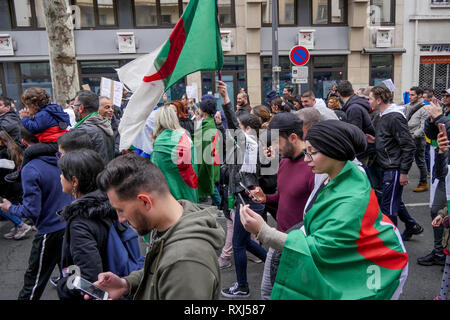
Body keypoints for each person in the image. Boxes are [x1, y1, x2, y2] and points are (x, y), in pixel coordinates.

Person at [239, 120, 409, 300]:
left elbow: (322, 247)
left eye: (312, 153)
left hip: (362, 270)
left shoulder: (352, 195)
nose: (306, 159)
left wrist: (263, 231)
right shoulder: (333, 175)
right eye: (307, 152)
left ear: (334, 151)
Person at [83, 153, 225, 300]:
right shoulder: (167, 222)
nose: (121, 219)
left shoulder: (184, 263)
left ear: (145, 202)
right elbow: (158, 271)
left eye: (121, 210)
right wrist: (126, 284)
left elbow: (170, 268)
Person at [0, 127, 72, 300]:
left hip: (50, 231)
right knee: (69, 276)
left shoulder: (31, 168)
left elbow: (31, 211)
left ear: (25, 141)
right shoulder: (61, 158)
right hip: (68, 225)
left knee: (34, 282)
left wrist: (10, 208)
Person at [250, 112, 315, 300]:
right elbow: (284, 196)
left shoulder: (313, 167)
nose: (272, 148)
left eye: (276, 142)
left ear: (293, 138)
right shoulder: (284, 162)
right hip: (277, 239)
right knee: (267, 293)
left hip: (300, 247)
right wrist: (266, 199)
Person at [217, 80, 267, 298]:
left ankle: (243, 286)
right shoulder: (253, 143)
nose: (232, 129)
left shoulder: (248, 143)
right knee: (245, 241)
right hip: (245, 198)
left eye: (237, 125)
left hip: (247, 199)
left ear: (245, 128)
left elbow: (231, 125)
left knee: (238, 244)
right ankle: (276, 262)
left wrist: (226, 100)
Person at [55, 149, 125, 300]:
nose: (59, 177)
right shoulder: (109, 204)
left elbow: (89, 279)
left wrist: (63, 286)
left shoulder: (80, 223)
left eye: (62, 173)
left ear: (74, 181)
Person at [367, 86, 423, 241]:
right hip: (388, 166)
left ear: (378, 100)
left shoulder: (394, 117)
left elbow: (408, 145)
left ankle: (391, 243)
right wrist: (376, 140)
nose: (368, 101)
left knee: (388, 207)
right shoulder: (384, 115)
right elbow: (391, 141)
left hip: (394, 168)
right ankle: (411, 226)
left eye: (370, 98)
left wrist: (404, 172)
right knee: (392, 201)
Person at [419, 100, 449, 266]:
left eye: (447, 95)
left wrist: (439, 118)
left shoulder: (443, 117)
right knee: (437, 211)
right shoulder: (443, 113)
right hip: (445, 173)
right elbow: (430, 136)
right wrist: (432, 120)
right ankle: (439, 252)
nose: (444, 98)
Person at [151, 105, 199, 203]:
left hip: (168, 199)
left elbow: (155, 174)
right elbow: (193, 168)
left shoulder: (159, 142)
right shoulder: (186, 138)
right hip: (188, 194)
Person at [0, 130, 31, 240]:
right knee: (12, 205)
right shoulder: (14, 149)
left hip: (9, 186)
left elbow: (3, 173)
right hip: (16, 185)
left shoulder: (3, 153)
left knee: (3, 207)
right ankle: (17, 227)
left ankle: (21, 225)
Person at [72, 90, 115, 162]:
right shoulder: (105, 125)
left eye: (74, 106)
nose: (73, 109)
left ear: (81, 108)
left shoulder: (83, 130)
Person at [194, 96, 221, 206]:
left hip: (206, 160)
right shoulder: (208, 122)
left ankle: (223, 208)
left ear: (203, 111)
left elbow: (203, 143)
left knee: (210, 185)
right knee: (210, 185)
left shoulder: (208, 125)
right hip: (210, 159)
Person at [403, 87, 429, 192]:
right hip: (407, 137)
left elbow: (423, 127)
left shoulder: (425, 109)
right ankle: (401, 179)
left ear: (419, 95)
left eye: (413, 95)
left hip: (417, 139)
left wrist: (413, 136)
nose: (410, 97)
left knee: (420, 161)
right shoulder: (408, 106)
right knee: (404, 159)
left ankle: (423, 183)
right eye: (410, 95)